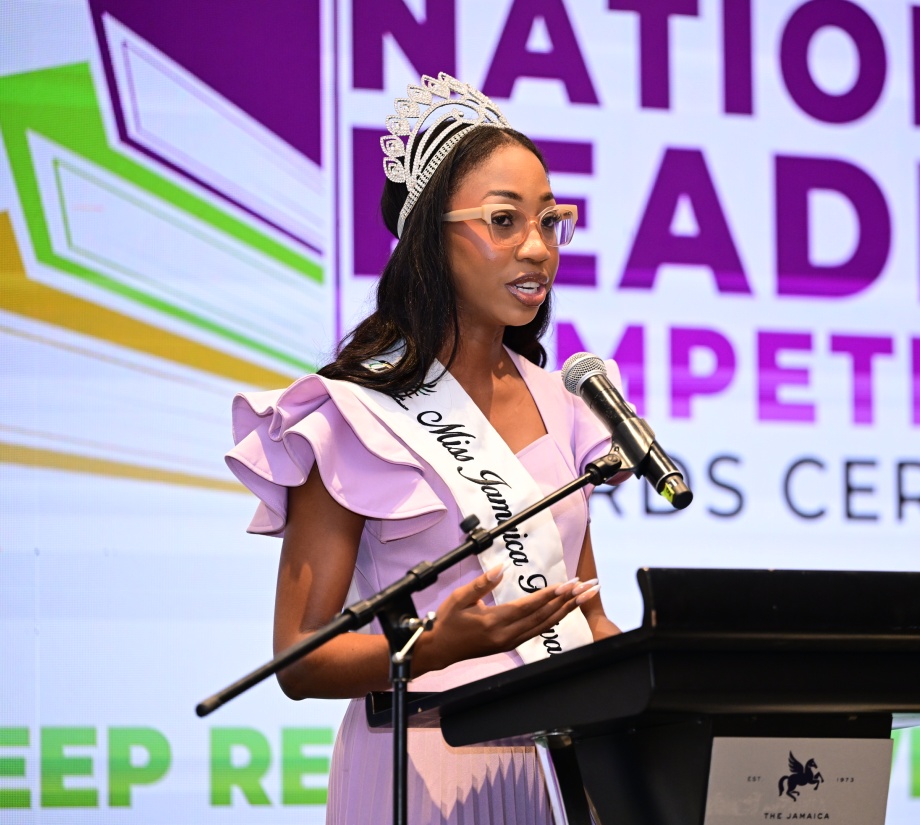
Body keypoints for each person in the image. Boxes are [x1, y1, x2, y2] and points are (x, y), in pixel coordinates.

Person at [224, 73, 623, 824]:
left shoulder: (569, 410)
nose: (536, 249)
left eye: (550, 222)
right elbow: (299, 660)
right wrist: (434, 645)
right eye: (503, 221)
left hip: (561, 773)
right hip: (418, 764)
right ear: (429, 238)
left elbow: (586, 616)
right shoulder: (354, 412)